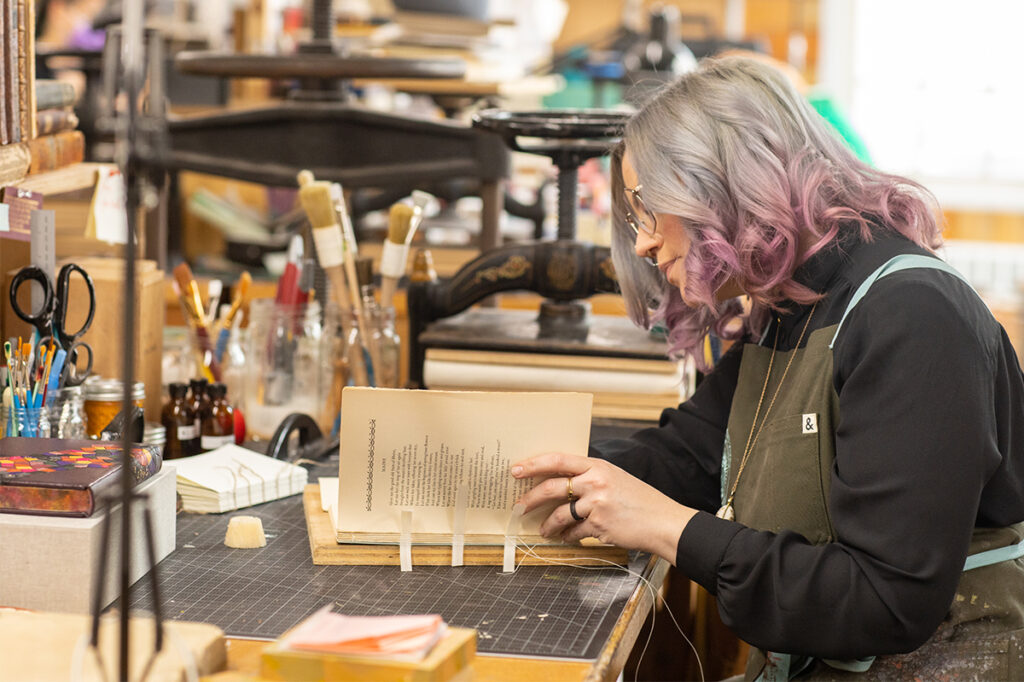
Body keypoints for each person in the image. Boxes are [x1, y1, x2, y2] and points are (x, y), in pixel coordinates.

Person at [511, 56, 1024, 680]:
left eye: (647, 207)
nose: (644, 243)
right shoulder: (790, 308)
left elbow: (884, 602)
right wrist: (517, 466)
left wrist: (667, 526)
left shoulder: (912, 316)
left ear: (723, 180)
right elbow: (691, 457)